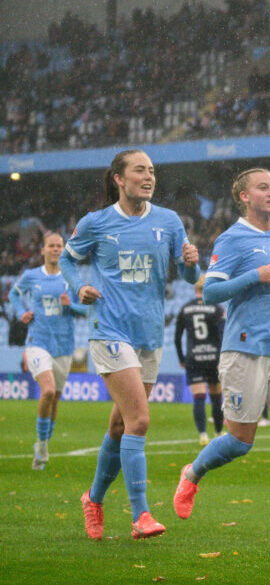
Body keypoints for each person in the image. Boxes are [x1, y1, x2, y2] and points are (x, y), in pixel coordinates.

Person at [172, 167, 270, 541]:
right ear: (244, 196)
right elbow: (210, 292)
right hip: (244, 348)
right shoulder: (232, 239)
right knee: (240, 441)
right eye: (263, 187)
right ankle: (192, 474)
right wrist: (254, 275)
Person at [61, 149, 200, 540]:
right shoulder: (97, 223)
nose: (149, 176)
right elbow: (69, 262)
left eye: (152, 170)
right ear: (119, 179)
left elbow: (191, 277)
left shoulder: (169, 221)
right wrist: (79, 287)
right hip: (110, 330)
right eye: (140, 170)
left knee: (122, 424)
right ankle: (141, 515)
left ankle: (94, 498)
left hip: (149, 335)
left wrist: (190, 261)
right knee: (140, 420)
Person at [12, 232, 87, 470]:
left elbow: (86, 311)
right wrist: (20, 312)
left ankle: (43, 443)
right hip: (38, 342)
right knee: (46, 392)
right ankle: (42, 446)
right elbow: (14, 294)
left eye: (59, 246)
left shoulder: (71, 278)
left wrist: (71, 305)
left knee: (54, 399)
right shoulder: (31, 276)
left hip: (64, 346)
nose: (55, 249)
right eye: (51, 246)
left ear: (64, 250)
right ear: (42, 250)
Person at [174, 274, 226, 445]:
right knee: (216, 397)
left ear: (195, 288)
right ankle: (218, 433)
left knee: (199, 397)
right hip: (213, 359)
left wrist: (182, 358)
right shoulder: (217, 309)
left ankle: (203, 435)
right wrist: (222, 358)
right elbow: (222, 335)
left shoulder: (185, 309)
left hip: (194, 358)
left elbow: (177, 337)